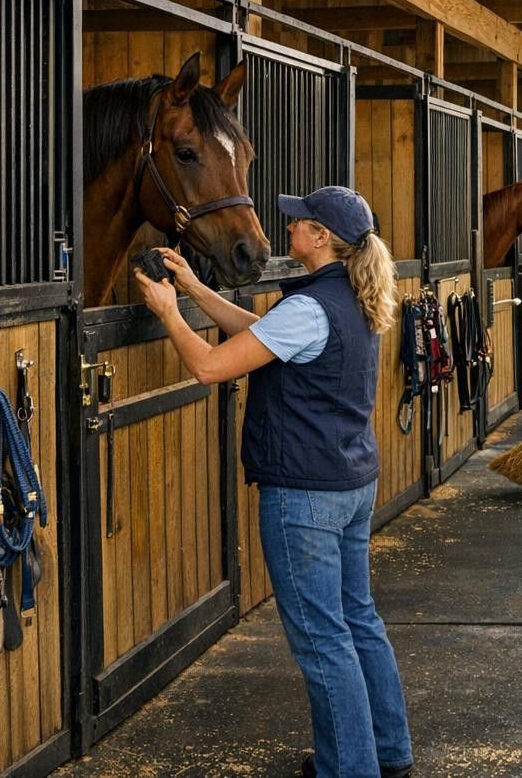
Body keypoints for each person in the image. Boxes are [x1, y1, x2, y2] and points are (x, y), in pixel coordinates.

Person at [134, 185, 413, 778]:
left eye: (297, 223)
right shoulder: (346, 297)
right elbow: (261, 335)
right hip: (350, 481)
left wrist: (166, 313)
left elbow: (211, 366)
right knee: (358, 621)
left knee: (321, 638)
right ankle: (387, 752)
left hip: (305, 495)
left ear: (319, 238)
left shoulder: (312, 308)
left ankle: (349, 769)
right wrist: (193, 287)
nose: (285, 231)